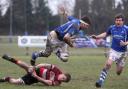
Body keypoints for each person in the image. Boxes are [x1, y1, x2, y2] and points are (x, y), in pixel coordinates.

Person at [91, 13, 128, 88]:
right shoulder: (112, 28)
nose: (117, 22)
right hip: (114, 50)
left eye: (119, 20)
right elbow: (105, 34)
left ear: (123, 21)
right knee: (108, 64)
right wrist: (97, 37)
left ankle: (118, 63)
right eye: (116, 20)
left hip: (123, 53)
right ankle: (100, 81)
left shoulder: (126, 29)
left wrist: (125, 43)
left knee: (118, 72)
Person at [0, 54, 71, 86]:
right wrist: (35, 67)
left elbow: (45, 82)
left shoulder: (57, 83)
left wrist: (36, 77)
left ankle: (6, 79)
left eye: (63, 80)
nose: (62, 79)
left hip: (35, 79)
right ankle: (12, 59)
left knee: (17, 82)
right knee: (29, 68)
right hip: (37, 71)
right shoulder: (57, 70)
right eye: (63, 77)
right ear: (63, 74)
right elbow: (45, 64)